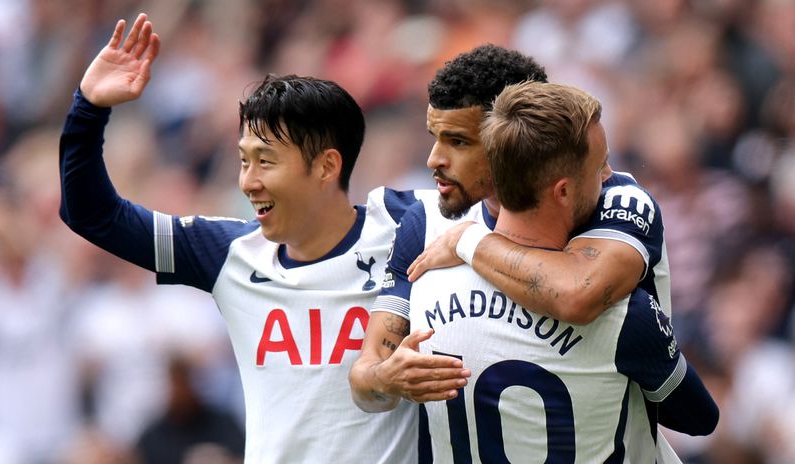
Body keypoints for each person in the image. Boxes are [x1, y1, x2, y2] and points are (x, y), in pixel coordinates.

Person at [59, 14, 435, 463]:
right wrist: (89, 107)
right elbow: (92, 214)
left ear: (327, 166)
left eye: (265, 161)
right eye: (243, 160)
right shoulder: (229, 253)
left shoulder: (407, 225)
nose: (248, 182)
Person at [412, 81, 718, 461]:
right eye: (599, 165)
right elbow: (699, 418)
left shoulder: (426, 286)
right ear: (562, 192)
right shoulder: (621, 314)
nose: (609, 176)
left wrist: (469, 240)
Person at [350, 44, 667, 410]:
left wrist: (469, 242)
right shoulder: (424, 223)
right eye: (435, 137)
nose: (434, 159)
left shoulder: (614, 201)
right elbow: (364, 379)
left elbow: (578, 295)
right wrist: (384, 379)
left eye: (458, 142)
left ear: (509, 141)